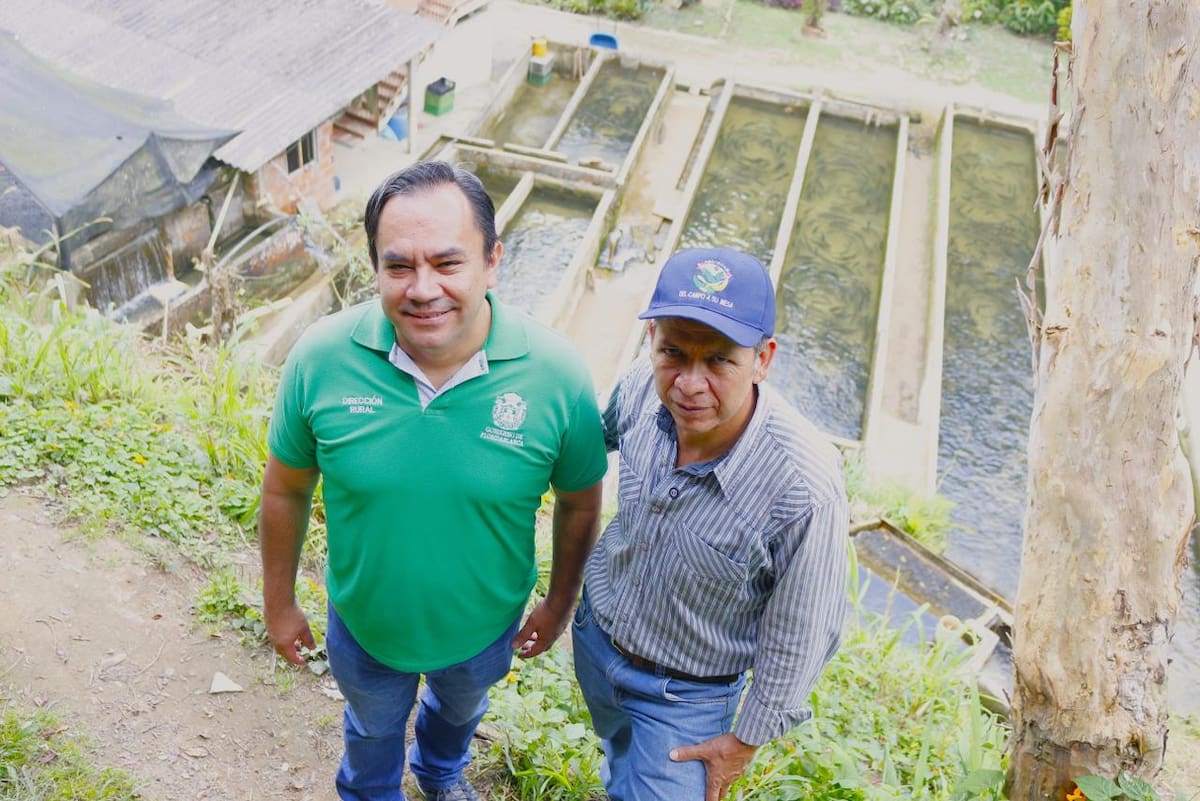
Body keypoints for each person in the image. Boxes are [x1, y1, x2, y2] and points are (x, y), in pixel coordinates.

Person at [259, 161, 607, 801]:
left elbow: (581, 503)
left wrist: (558, 601)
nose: (423, 290)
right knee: (371, 727)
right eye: (399, 266)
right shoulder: (321, 358)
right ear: (375, 268)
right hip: (365, 625)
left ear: (492, 261)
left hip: (485, 625)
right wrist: (279, 602)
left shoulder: (556, 375)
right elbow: (285, 488)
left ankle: (441, 774)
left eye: (448, 264)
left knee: (458, 712)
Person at [572, 246, 850, 801]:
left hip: (688, 699)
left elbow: (804, 628)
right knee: (618, 759)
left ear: (763, 359)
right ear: (652, 341)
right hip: (597, 645)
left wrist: (745, 739)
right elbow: (579, 446)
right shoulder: (635, 389)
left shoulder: (803, 487)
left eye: (720, 360)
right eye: (673, 351)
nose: (690, 384)